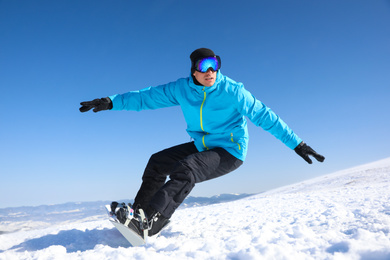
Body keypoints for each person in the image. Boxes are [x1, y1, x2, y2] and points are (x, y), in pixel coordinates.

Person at [79, 48, 325, 237]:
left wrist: (297, 144)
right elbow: (146, 97)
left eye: (215, 65)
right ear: (193, 71)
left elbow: (264, 115)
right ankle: (140, 213)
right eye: (204, 66)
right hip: (203, 145)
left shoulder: (233, 91)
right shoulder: (182, 89)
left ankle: (151, 223)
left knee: (187, 169)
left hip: (230, 150)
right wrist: (111, 101)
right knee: (157, 162)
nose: (211, 71)